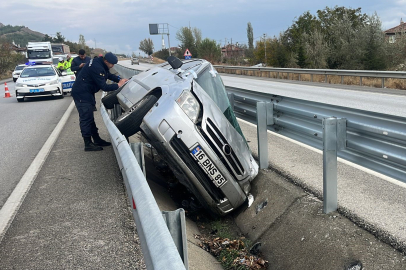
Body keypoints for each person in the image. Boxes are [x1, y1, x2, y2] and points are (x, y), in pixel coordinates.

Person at [71, 52, 128, 151]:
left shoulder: (99, 63)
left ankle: (96, 139)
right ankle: (88, 143)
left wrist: (120, 79)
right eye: (111, 64)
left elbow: (107, 75)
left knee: (90, 117)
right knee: (86, 118)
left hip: (87, 92)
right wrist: (118, 85)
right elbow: (104, 86)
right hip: (82, 93)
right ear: (106, 61)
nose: (113, 66)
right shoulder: (97, 67)